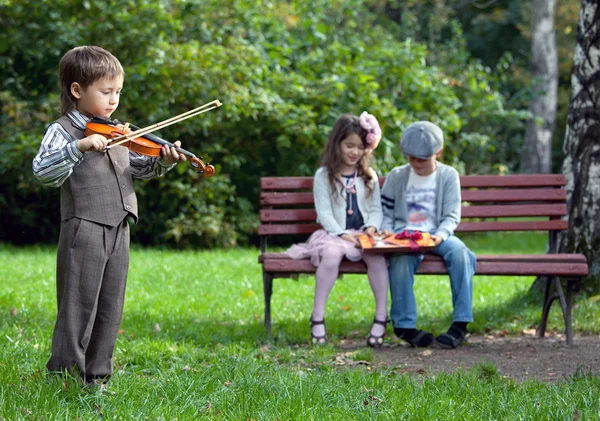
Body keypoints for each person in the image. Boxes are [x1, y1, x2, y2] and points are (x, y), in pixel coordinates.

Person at [32, 45, 187, 386]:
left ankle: (97, 378)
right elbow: (43, 171)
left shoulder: (117, 132)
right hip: (84, 226)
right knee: (78, 306)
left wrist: (163, 160)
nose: (114, 99)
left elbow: (139, 167)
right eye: (106, 91)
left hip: (120, 225)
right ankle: (64, 379)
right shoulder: (63, 131)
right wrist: (79, 147)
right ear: (77, 90)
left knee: (109, 306)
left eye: (117, 91)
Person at [286, 112, 389, 347]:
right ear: (337, 144)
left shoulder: (367, 175)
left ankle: (381, 317)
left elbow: (375, 208)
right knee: (331, 254)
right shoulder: (324, 176)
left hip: (363, 233)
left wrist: (372, 227)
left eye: (360, 147)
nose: (354, 152)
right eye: (349, 145)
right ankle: (317, 317)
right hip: (334, 234)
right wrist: (343, 234)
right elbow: (324, 213)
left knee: (376, 257)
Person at [381, 121, 476, 349]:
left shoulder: (448, 175)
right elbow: (386, 211)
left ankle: (460, 324)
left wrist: (440, 236)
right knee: (401, 260)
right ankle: (405, 327)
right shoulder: (397, 176)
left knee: (461, 254)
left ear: (438, 152)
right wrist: (387, 230)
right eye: (411, 158)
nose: (416, 164)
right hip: (405, 235)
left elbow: (452, 215)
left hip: (437, 234)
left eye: (422, 159)